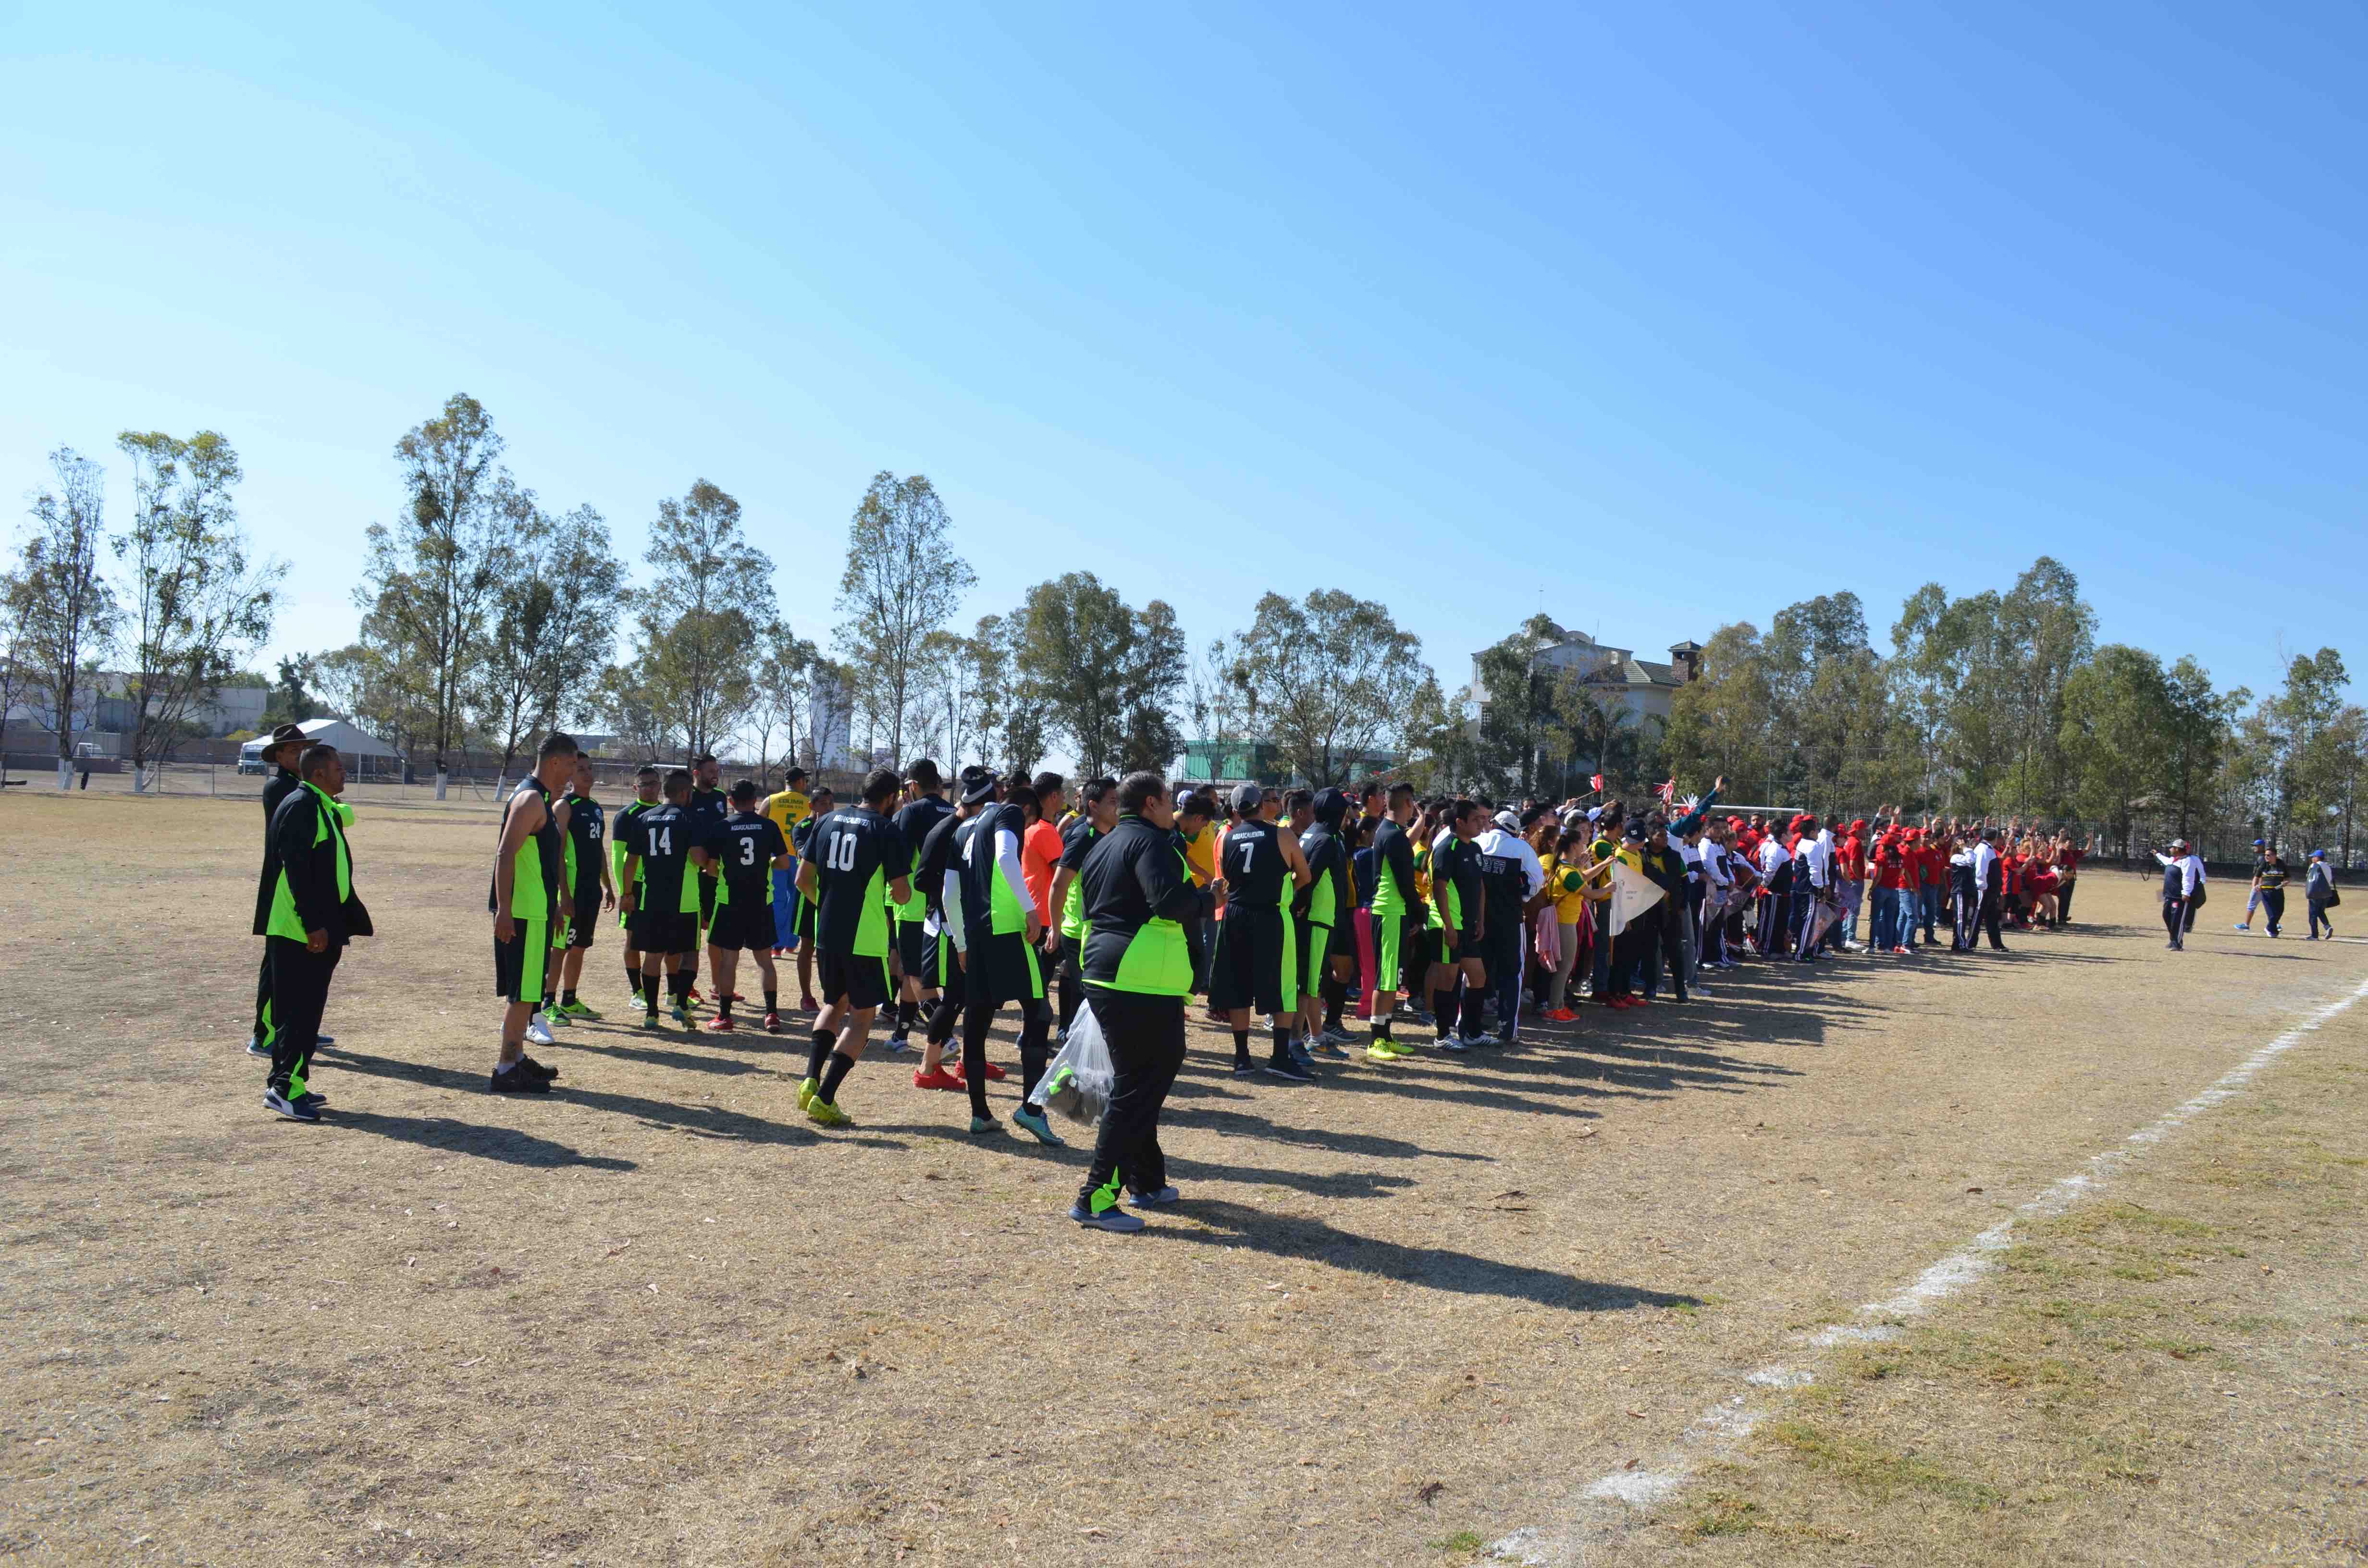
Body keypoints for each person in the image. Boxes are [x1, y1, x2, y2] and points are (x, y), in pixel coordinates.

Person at [1068, 771, 1214, 1232]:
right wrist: (1206, 899)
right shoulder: (1153, 843)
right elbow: (1168, 903)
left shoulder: (1103, 843)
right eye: (1169, 798)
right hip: (1138, 975)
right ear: (1152, 803)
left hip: (1110, 969)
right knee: (1139, 1085)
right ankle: (1096, 1198)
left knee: (1142, 1079)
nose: (1174, 807)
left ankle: (1146, 1181)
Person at [793, 768, 913, 1126]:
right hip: (865, 938)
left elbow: (802, 880)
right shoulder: (885, 830)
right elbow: (902, 893)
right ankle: (826, 1098)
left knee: (834, 1004)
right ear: (890, 798)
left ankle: (810, 1081)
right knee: (862, 1016)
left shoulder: (826, 821)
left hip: (827, 932)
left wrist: (826, 906)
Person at [948, 774, 1064, 1142]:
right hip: (1008, 929)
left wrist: (961, 943)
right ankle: (1031, 1110)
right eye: (1029, 823)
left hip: (975, 935)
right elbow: (1004, 856)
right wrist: (1030, 911)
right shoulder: (1009, 813)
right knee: (1039, 1012)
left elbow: (950, 892)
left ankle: (980, 1114)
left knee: (976, 1022)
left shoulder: (963, 828)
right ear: (1027, 809)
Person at [260, 744, 371, 1120]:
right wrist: (312, 925)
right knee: (299, 1013)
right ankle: (285, 1090)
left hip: (317, 926)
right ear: (320, 774)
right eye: (339, 769)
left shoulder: (320, 805)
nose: (345, 774)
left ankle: (288, 1083)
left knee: (304, 1012)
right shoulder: (302, 806)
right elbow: (296, 871)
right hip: (300, 931)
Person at [489, 733, 580, 1092]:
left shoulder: (541, 798)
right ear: (555, 762)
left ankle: (517, 1059)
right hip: (523, 912)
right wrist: (505, 910)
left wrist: (553, 904)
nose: (573, 772)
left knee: (528, 990)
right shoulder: (530, 799)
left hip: (536, 910)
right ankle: (506, 1069)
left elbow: (538, 861)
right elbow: (505, 854)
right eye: (571, 764)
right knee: (523, 993)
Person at [1209, 784, 1315, 1078]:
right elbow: (1305, 875)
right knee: (1283, 985)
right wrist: (1287, 894)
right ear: (1261, 805)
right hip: (1272, 916)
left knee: (1238, 986)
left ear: (1235, 809)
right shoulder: (1282, 834)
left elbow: (1227, 879)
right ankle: (1280, 1057)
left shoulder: (1226, 837)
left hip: (1236, 915)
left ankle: (1242, 1058)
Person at [912, 767, 996, 1091]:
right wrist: (957, 893)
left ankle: (970, 1059)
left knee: (977, 997)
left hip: (967, 923)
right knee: (954, 998)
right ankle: (927, 1068)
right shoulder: (946, 830)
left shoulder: (970, 828)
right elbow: (922, 880)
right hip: (947, 926)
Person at [246, 723, 320, 1059]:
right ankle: (264, 1035)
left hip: (299, 888)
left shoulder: (304, 787)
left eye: (304, 749)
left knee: (299, 966)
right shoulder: (280, 788)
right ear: (278, 756)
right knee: (277, 968)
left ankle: (295, 1029)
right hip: (282, 889)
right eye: (293, 750)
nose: (300, 754)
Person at [701, 779, 792, 1033]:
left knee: (729, 961)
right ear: (755, 800)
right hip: (761, 902)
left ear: (731, 801)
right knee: (765, 962)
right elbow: (784, 863)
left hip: (730, 902)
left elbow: (711, 868)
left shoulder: (722, 827)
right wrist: (767, 864)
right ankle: (772, 1014)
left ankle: (725, 1016)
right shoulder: (769, 826)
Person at [617, 769, 703, 1029]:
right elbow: (698, 858)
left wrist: (628, 894)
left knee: (653, 956)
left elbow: (630, 861)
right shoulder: (689, 818)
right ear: (685, 793)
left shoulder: (643, 818)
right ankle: (681, 1004)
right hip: (684, 899)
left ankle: (652, 1013)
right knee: (690, 953)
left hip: (651, 898)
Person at [1046, 776, 1119, 1045]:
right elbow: (1058, 885)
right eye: (1113, 801)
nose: (1118, 806)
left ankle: (1071, 1032)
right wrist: (1055, 928)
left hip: (1102, 929)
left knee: (1086, 990)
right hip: (1079, 930)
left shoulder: (1114, 835)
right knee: (1089, 994)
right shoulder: (1082, 837)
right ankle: (1075, 1041)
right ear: (1093, 806)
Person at [887, 760, 955, 1050]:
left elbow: (898, 861)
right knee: (913, 971)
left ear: (913, 785)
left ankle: (946, 1037)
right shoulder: (954, 812)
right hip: (950, 906)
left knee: (916, 974)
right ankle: (901, 1036)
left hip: (915, 906)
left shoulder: (911, 812)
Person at [545, 753, 616, 1023]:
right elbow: (558, 853)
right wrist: (564, 894)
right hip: (572, 891)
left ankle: (570, 1000)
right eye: (581, 769)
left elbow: (599, 850)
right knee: (560, 948)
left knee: (579, 947)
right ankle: (547, 1002)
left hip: (590, 891)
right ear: (570, 775)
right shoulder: (564, 806)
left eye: (590, 769)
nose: (587, 774)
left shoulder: (596, 807)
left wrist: (607, 885)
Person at [1361, 782, 1428, 1062]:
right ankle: (1376, 1039)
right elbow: (1404, 882)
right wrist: (1418, 913)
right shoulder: (1393, 835)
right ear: (1408, 804)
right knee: (1387, 978)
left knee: (1392, 978)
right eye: (1413, 804)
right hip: (1389, 911)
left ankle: (1386, 1036)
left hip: (1393, 911)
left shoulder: (1390, 832)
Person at [1471, 807, 1546, 1043]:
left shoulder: (1478, 842)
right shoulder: (1521, 848)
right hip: (1510, 919)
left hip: (1478, 918)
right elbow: (1537, 882)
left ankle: (1469, 1025)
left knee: (1473, 972)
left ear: (1493, 824)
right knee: (1511, 975)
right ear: (1515, 831)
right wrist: (1521, 894)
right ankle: (1507, 1029)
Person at [1295, 788, 1358, 1057]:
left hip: (1318, 918)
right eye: (1345, 812)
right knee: (1307, 985)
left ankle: (1317, 1037)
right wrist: (1299, 906)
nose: (1349, 816)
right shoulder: (1326, 839)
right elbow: (1309, 877)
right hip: (1316, 919)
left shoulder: (1312, 833)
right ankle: (1294, 1044)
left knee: (1312, 984)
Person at [680, 753, 729, 1004]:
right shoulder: (687, 796)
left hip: (717, 871)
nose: (715, 775)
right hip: (694, 872)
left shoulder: (720, 797)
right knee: (691, 931)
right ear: (697, 773)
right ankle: (686, 986)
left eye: (717, 770)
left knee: (717, 930)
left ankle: (718, 986)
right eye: (711, 771)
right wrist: (700, 861)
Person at [611, 765, 660, 1010]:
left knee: (663, 939)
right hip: (636, 887)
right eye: (644, 785)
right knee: (633, 938)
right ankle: (637, 991)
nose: (650, 789)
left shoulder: (669, 813)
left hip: (663, 885)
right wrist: (626, 892)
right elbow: (618, 858)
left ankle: (672, 991)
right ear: (635, 788)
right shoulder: (626, 816)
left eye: (654, 783)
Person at [787, 786, 836, 1007]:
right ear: (812, 806)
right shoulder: (802, 828)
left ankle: (833, 995)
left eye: (831, 803)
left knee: (832, 947)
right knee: (808, 946)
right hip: (808, 893)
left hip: (830, 893)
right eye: (823, 803)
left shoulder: (835, 824)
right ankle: (806, 996)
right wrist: (819, 829)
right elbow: (801, 853)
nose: (829, 808)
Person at [761, 768, 813, 964]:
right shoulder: (808, 803)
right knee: (796, 901)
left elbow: (759, 823)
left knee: (778, 900)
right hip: (799, 857)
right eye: (805, 781)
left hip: (777, 857)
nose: (806, 784)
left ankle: (776, 945)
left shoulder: (771, 800)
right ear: (800, 782)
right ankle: (791, 942)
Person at [2155, 838, 2201, 948]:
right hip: (2168, 895)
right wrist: (2157, 855)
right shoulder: (2173, 860)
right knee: (2166, 916)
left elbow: (2188, 878)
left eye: (2171, 848)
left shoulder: (2187, 861)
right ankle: (2173, 940)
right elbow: (2165, 860)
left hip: (2179, 896)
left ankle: (2177, 943)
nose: (2170, 849)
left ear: (2177, 849)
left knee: (2177, 920)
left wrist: (2186, 893)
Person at [1970, 827, 2008, 951]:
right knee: (1978, 917)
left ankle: (1997, 944)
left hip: (1991, 889)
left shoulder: (1988, 849)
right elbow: (1981, 870)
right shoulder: (1984, 849)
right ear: (1995, 838)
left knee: (1992, 917)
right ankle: (1970, 943)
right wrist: (1982, 887)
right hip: (1985, 889)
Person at [2253, 849, 2289, 938]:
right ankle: (2271, 929)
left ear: (2275, 856)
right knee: (2272, 914)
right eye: (2266, 855)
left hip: (2278, 891)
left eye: (2268, 855)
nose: (2266, 857)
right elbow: (2256, 877)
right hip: (2266, 892)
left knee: (2280, 911)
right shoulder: (2264, 865)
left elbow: (2288, 878)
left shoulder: (2281, 864)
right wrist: (2255, 887)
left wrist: (2286, 882)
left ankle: (2270, 928)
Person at [2306, 850, 2338, 939]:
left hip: (2315, 893)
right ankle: (2328, 927)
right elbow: (2330, 879)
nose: (2312, 859)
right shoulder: (2327, 867)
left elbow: (2309, 877)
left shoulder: (2314, 865)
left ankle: (2314, 935)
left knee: (2313, 914)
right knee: (2320, 911)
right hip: (2326, 893)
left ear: (2317, 858)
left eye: (2313, 857)